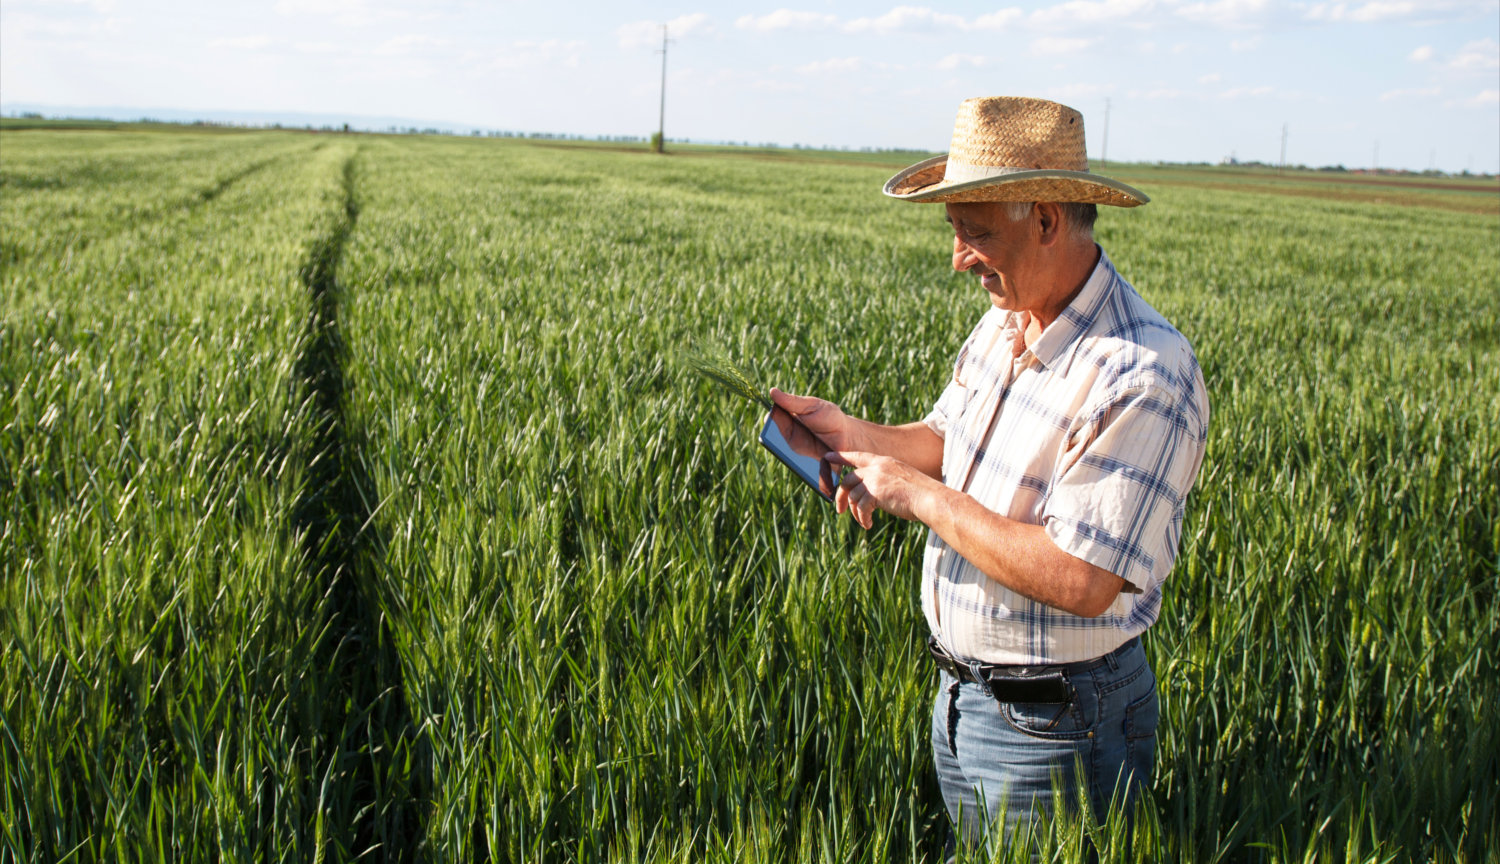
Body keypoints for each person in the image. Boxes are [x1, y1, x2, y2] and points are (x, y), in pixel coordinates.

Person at [770, 96, 1209, 853]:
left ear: (1044, 219)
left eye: (973, 233)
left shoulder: (1142, 372)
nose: (957, 257)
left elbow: (1083, 578)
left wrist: (921, 499)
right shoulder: (1006, 322)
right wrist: (852, 433)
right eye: (955, 231)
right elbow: (947, 440)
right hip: (964, 701)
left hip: (1062, 726)